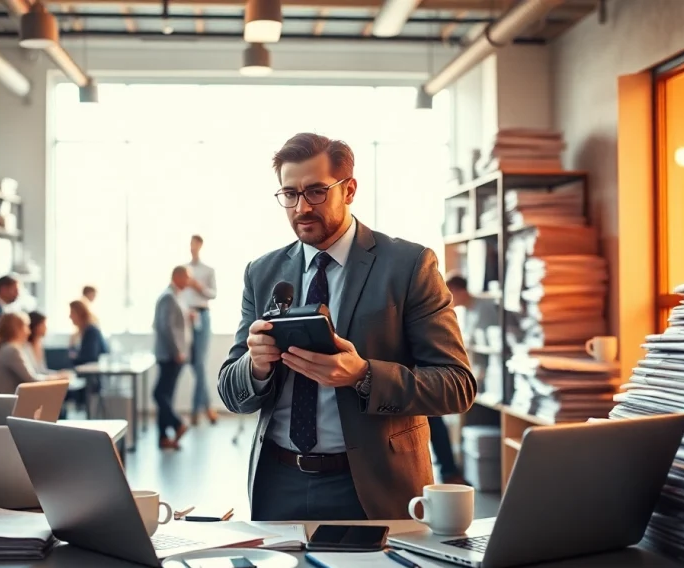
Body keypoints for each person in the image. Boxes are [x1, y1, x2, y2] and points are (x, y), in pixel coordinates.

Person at [217, 133, 475, 521]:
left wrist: (363, 375)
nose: (302, 207)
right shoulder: (262, 272)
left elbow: (457, 386)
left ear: (349, 189)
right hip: (277, 482)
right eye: (290, 194)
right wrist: (255, 367)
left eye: (316, 191)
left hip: (374, 484)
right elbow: (231, 392)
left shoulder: (408, 265)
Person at [422, 272, 476, 485]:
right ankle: (449, 470)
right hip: (420, 376)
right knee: (435, 425)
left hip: (430, 376)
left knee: (436, 425)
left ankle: (449, 470)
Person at [153, 265, 192, 449]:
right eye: (187, 277)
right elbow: (165, 326)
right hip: (170, 355)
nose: (189, 282)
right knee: (160, 394)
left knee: (165, 396)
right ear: (177, 276)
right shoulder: (168, 297)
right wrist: (176, 351)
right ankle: (177, 424)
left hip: (175, 354)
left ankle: (163, 437)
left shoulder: (176, 296)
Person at [182, 234, 218, 425]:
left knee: (200, 364)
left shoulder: (208, 270)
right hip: (187, 317)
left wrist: (198, 286)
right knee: (194, 364)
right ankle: (208, 407)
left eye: (195, 244)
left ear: (200, 246)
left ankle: (196, 411)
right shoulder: (183, 270)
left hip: (202, 316)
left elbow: (213, 294)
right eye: (190, 244)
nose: (192, 247)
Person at [0, 312, 68, 394]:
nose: (29, 332)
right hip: (13, 400)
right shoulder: (12, 350)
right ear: (16, 329)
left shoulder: (6, 348)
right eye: (26, 326)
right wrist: (58, 378)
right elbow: (32, 380)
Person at [69, 300, 109, 366]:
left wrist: (73, 358)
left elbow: (90, 357)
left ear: (81, 314)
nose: (70, 316)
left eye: (72, 312)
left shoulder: (92, 331)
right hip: (82, 368)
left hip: (92, 369)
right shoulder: (78, 334)